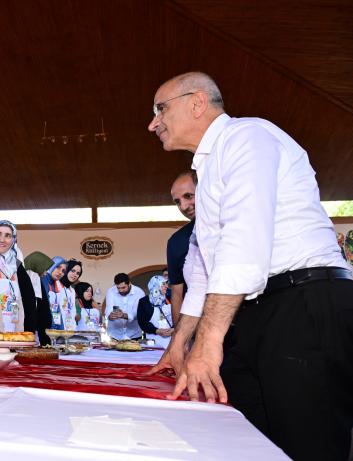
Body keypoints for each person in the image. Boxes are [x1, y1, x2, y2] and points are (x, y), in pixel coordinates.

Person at [147, 72, 353, 460]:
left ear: (196, 103)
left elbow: (245, 240)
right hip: (258, 313)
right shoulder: (206, 171)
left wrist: (207, 344)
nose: (153, 123)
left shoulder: (246, 136)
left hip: (303, 304)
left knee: (307, 445)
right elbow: (205, 269)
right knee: (246, 441)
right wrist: (180, 343)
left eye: (160, 109)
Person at [166, 170, 197, 326]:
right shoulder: (176, 241)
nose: (184, 206)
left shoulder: (230, 225)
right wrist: (180, 340)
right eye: (177, 202)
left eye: (189, 196)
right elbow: (177, 295)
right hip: (195, 328)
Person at [24, 251, 54, 346]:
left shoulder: (33, 279)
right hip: (28, 334)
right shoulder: (33, 277)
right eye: (44, 269)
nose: (45, 273)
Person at [104, 273, 146, 340]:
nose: (121, 290)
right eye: (118, 288)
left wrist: (123, 315)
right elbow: (109, 309)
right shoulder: (111, 291)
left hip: (133, 334)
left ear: (129, 284)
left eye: (123, 288)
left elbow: (136, 313)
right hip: (114, 334)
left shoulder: (139, 293)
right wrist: (110, 316)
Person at [137, 275, 173, 348]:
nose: (166, 286)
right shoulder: (144, 302)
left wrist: (173, 329)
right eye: (163, 284)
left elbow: (179, 317)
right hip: (152, 340)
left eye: (166, 283)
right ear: (156, 285)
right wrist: (156, 331)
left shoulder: (171, 299)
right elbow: (142, 321)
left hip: (171, 339)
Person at [41, 257, 76, 331]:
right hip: (45, 327)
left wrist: (61, 331)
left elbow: (58, 310)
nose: (60, 273)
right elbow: (45, 308)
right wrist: (53, 328)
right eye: (58, 267)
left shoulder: (56, 284)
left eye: (63, 271)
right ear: (51, 266)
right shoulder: (44, 280)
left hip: (53, 328)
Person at [60, 258, 83, 323]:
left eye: (78, 273)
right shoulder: (56, 285)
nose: (75, 275)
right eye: (72, 271)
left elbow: (77, 315)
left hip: (69, 329)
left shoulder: (72, 290)